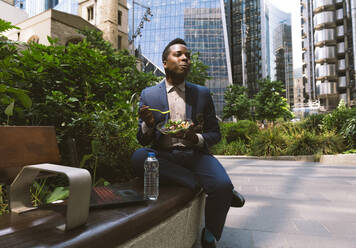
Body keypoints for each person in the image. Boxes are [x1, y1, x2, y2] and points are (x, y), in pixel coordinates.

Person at [131, 38, 244, 248]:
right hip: (163, 155)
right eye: (178, 55)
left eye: (187, 56)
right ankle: (197, 182)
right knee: (138, 157)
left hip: (196, 155)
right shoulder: (149, 94)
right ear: (165, 62)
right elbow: (142, 138)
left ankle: (210, 234)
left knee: (223, 185)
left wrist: (196, 139)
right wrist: (148, 125)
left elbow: (215, 133)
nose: (185, 59)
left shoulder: (201, 93)